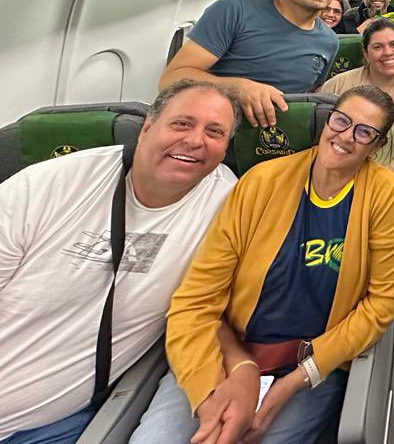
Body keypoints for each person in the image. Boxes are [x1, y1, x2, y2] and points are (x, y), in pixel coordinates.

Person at [131, 86, 394, 444]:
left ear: (377, 145)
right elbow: (196, 299)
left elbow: (383, 300)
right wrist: (210, 395)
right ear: (328, 121)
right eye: (341, 121)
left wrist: (298, 379)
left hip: (307, 365)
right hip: (225, 351)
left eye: (364, 132)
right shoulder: (262, 181)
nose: (346, 136)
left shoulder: (380, 190)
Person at [0, 81, 240, 444]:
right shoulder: (49, 185)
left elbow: (213, 308)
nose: (195, 140)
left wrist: (240, 367)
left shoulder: (226, 204)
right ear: (147, 127)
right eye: (182, 123)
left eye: (214, 132)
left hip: (59, 425)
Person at [161, 0, 340, 127]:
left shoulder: (329, 41)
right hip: (211, 124)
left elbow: (309, 92)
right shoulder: (235, 10)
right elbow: (171, 79)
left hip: (275, 135)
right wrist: (236, 87)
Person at [319, 19, 394, 210]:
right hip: (335, 185)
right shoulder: (337, 85)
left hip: (390, 187)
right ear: (366, 53)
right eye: (378, 47)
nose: (388, 52)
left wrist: (373, 180)